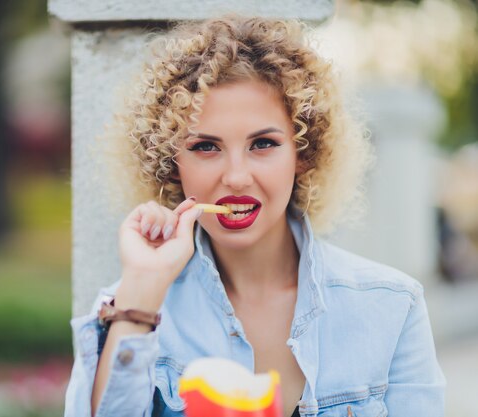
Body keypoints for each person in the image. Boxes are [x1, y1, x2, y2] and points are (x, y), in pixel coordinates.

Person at [64, 16, 446, 417]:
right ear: (171, 163)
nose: (236, 177)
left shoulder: (391, 306)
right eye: (206, 147)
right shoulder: (133, 305)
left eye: (262, 144)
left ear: (303, 154)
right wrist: (142, 289)